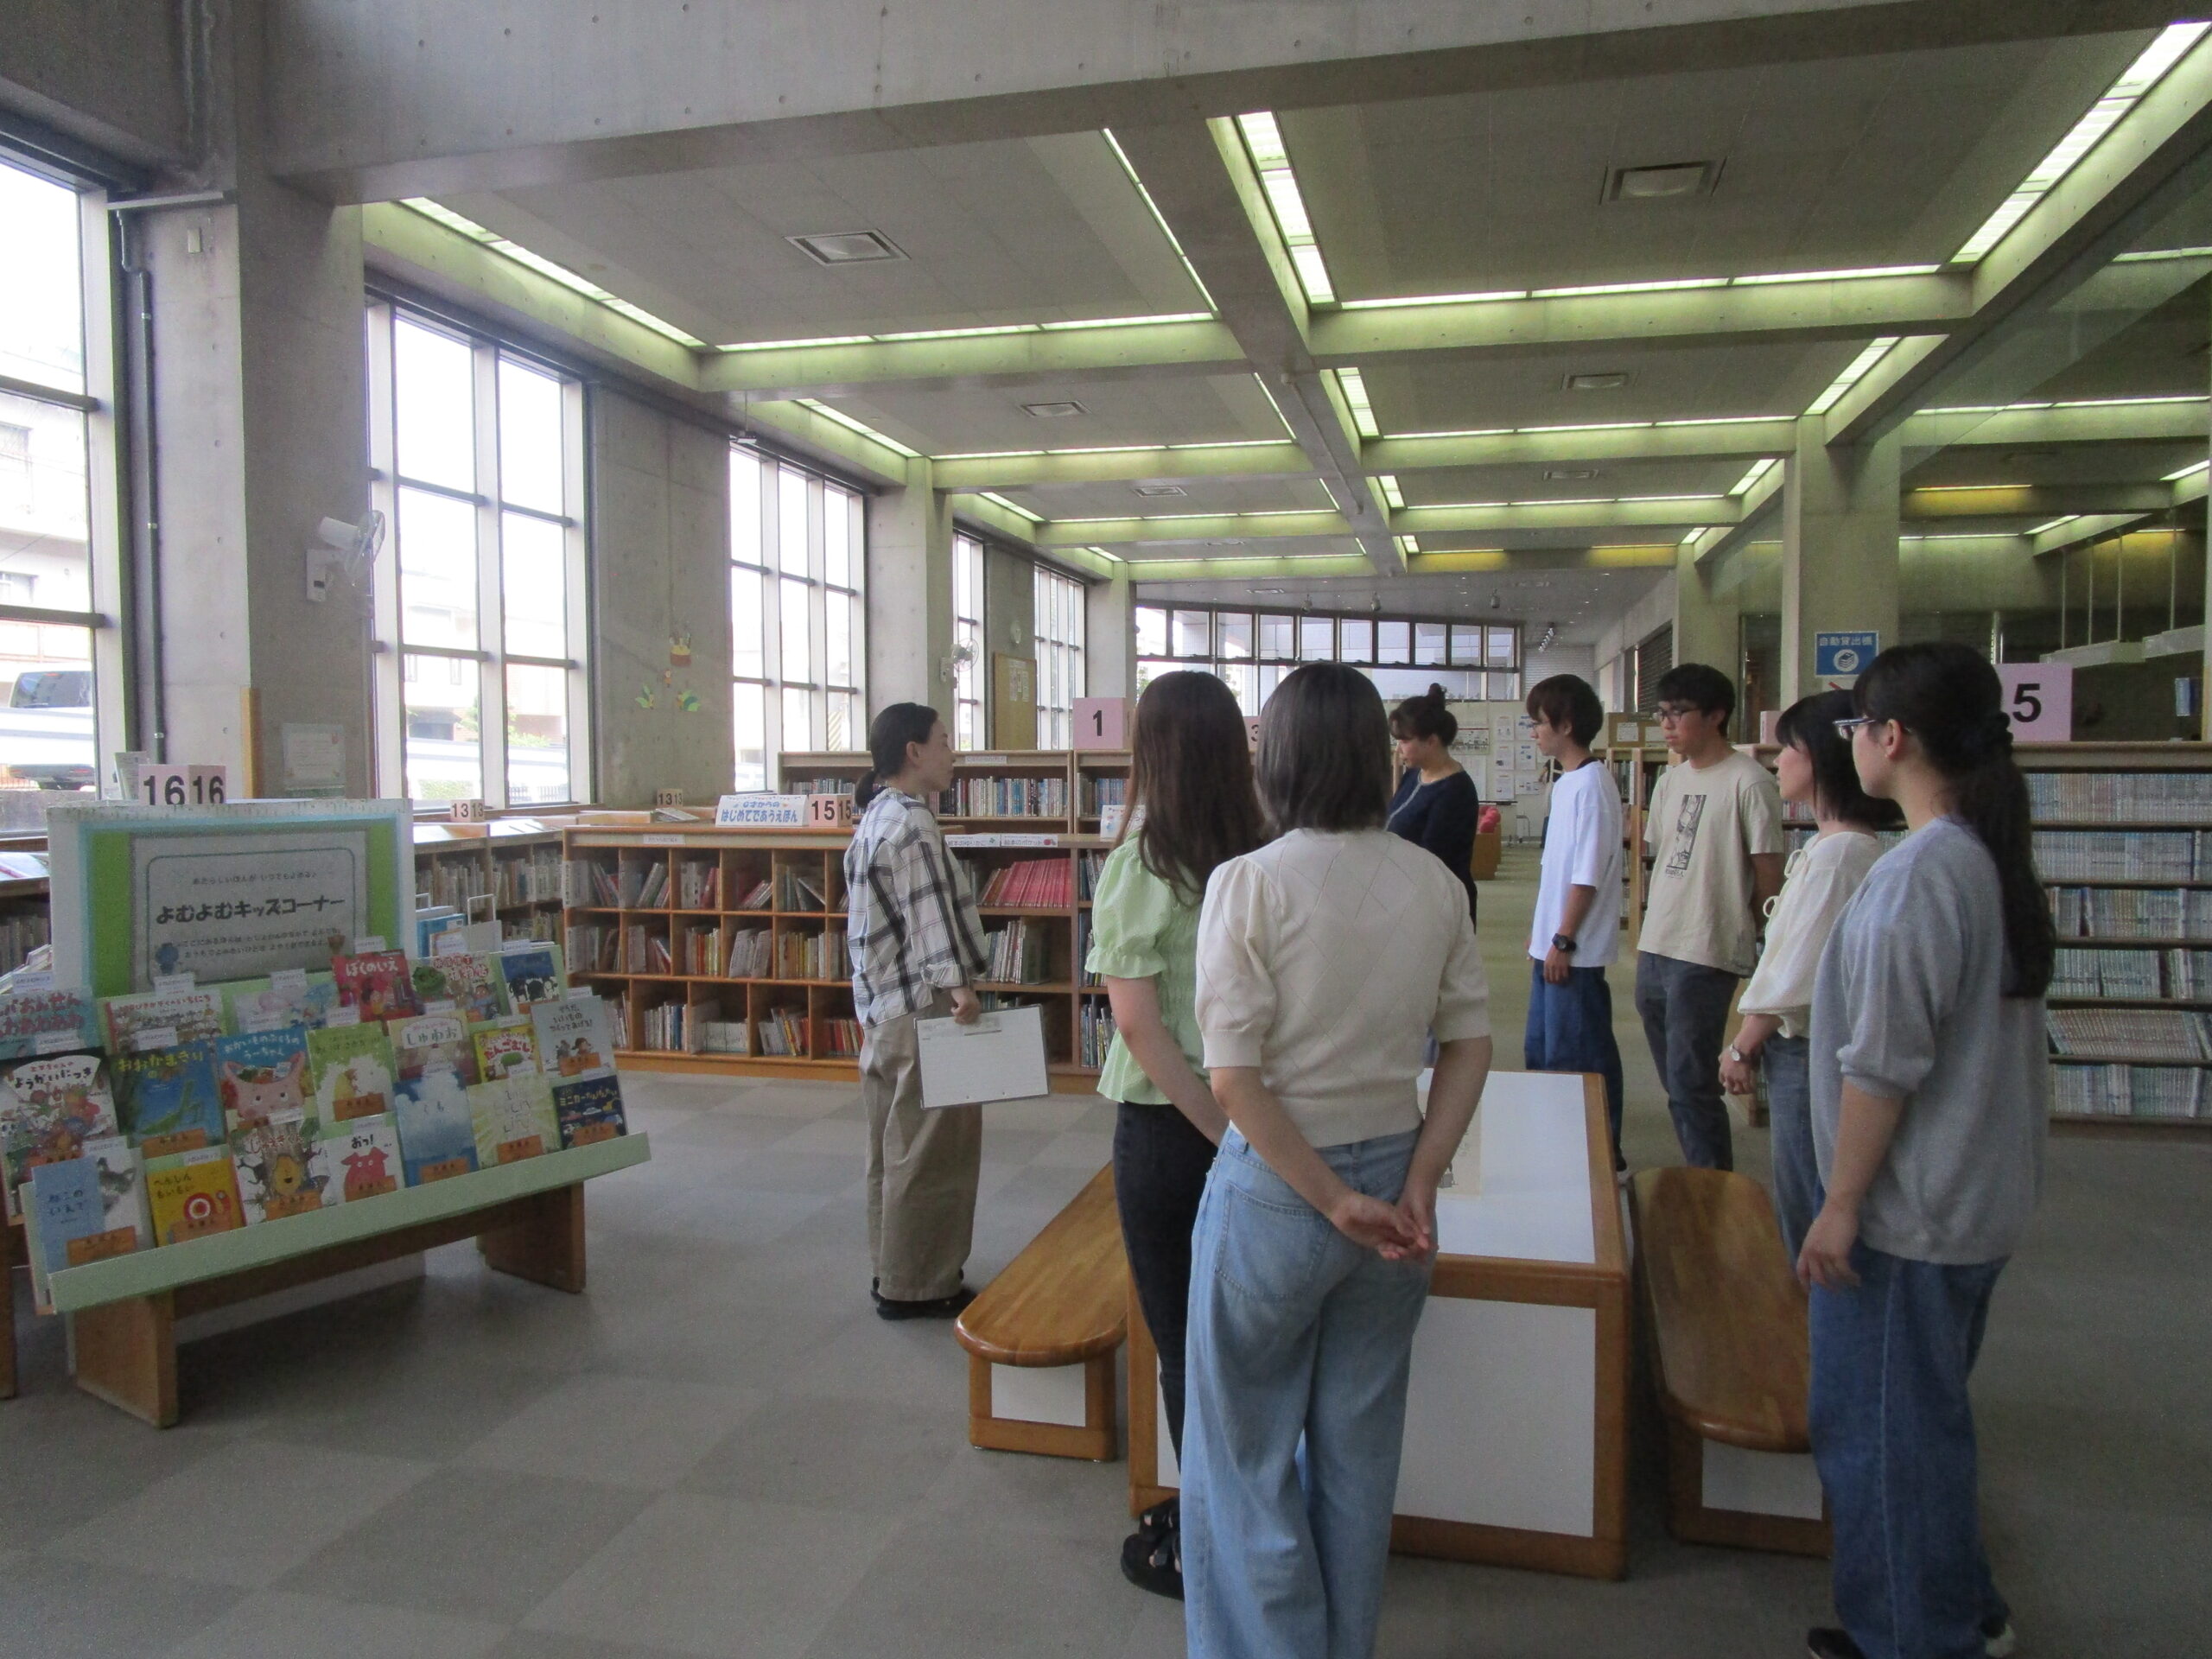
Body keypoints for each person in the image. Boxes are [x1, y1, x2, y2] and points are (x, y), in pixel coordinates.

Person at [1185, 663, 1492, 1659]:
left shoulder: (1249, 883)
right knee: (1359, 1453)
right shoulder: (1434, 882)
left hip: (1280, 1190)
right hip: (1395, 1184)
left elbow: (1233, 1080)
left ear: (1277, 758)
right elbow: (1470, 1042)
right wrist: (1417, 1178)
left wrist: (1327, 1199)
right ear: (1372, 755)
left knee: (1245, 1458)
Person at [1800, 643, 2050, 1659]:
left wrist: (1840, 1203)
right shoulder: (1980, 855)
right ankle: (1960, 1610)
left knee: (1881, 1443)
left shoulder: (1917, 878)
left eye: (1857, 726)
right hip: (1969, 1201)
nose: (1848, 743)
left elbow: (1884, 1067)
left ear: (1890, 738)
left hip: (1909, 1216)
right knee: (1927, 1428)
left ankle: (1913, 1636)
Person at [1084, 671, 1267, 1600]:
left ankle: (1210, 1543)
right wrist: (1249, 1129)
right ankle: (1250, 1517)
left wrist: (1220, 1129)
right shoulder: (1268, 853)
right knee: (1249, 1336)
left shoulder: (1141, 866)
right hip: (1269, 1120)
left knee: (1185, 1337)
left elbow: (1137, 1027)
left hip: (1173, 1132)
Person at [1719, 690, 1897, 1262]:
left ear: (1820, 756)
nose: (1777, 763)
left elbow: (1801, 965)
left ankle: (1810, 1321)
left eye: (1789, 749)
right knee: (1799, 1184)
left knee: (1805, 1193)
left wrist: (1744, 1044)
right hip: (1801, 1045)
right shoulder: (1832, 848)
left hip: (1806, 1048)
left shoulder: (1839, 856)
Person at [843, 702, 988, 1320]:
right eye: (944, 740)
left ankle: (890, 1268)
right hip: (924, 1008)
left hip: (881, 1008)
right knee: (933, 1148)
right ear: (913, 751)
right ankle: (921, 1284)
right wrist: (960, 990)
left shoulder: (875, 817)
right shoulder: (915, 826)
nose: (953, 751)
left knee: (890, 1146)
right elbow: (932, 920)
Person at [1632, 663, 1783, 1170]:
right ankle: (1701, 1176)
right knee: (1677, 1082)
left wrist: (1753, 929)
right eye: (1663, 714)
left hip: (1707, 946)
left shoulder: (1749, 781)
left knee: (1692, 1083)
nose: (1667, 725)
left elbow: (1768, 872)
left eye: (1679, 713)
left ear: (1716, 715)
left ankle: (1712, 1185)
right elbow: (1664, 855)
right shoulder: (1670, 780)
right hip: (1658, 942)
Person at [1522, 673, 1626, 1163]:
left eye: (1538, 723)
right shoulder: (1568, 783)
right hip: (1550, 945)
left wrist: (1564, 940)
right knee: (1544, 1053)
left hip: (1572, 951)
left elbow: (1588, 874)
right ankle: (1556, 1149)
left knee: (1578, 1059)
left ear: (1565, 725)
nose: (1534, 733)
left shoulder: (1593, 785)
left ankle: (1598, 1155)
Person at [1386, 683, 1481, 925]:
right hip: (1407, 897)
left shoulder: (1454, 790)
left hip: (1438, 905)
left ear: (1431, 741)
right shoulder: (1414, 774)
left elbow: (1432, 861)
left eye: (1405, 741)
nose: (1399, 749)